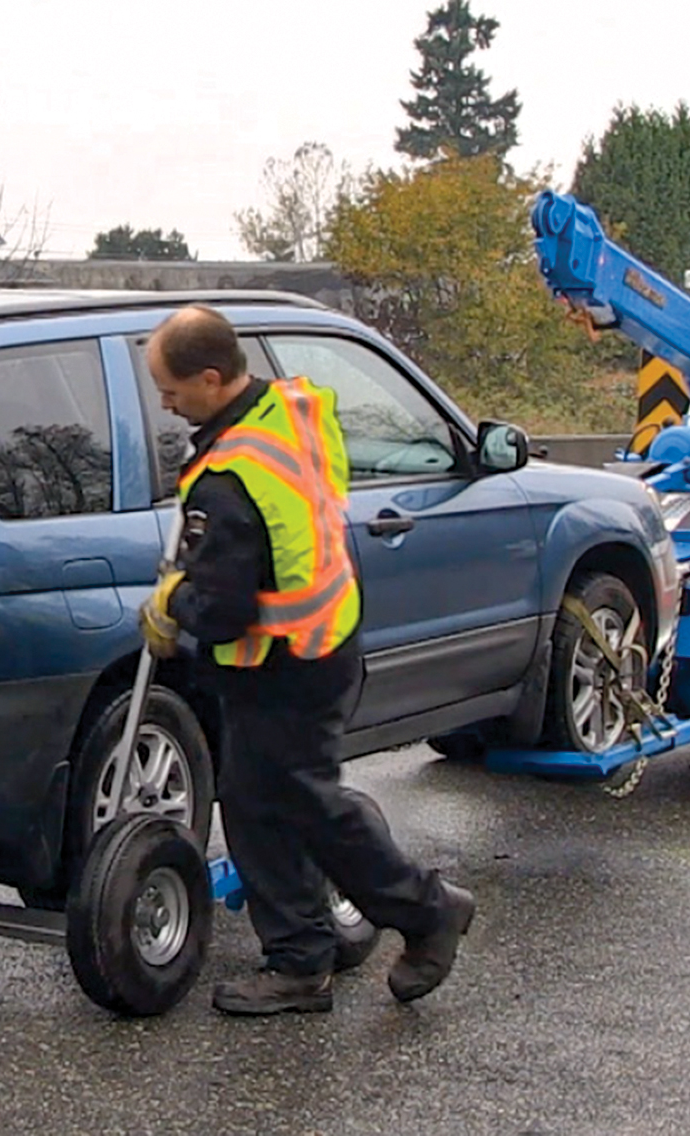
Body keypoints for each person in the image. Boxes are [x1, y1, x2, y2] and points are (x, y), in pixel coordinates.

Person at [138, 305, 475, 1017]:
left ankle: (426, 910)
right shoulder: (285, 415)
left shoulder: (229, 475)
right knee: (264, 807)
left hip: (283, 662)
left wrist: (175, 603)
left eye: (170, 390)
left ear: (209, 377)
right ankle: (299, 963)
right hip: (321, 645)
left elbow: (225, 609)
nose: (165, 405)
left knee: (303, 806)